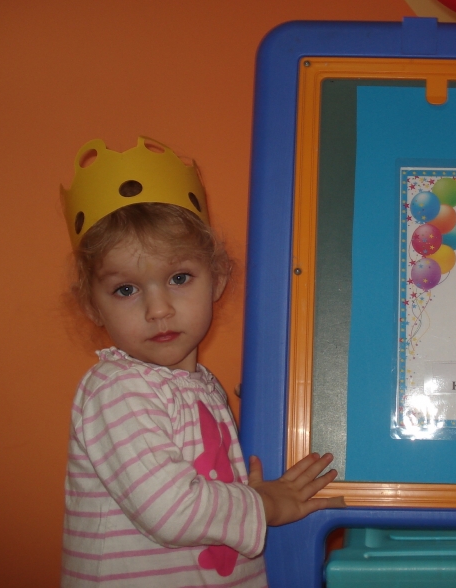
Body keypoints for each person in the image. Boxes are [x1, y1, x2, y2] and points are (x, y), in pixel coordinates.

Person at [59, 137, 344, 587]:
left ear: (218, 278)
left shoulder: (204, 385)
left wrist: (250, 492)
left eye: (179, 278)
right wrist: (266, 504)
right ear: (93, 305)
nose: (158, 309)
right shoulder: (115, 390)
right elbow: (171, 510)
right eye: (126, 289)